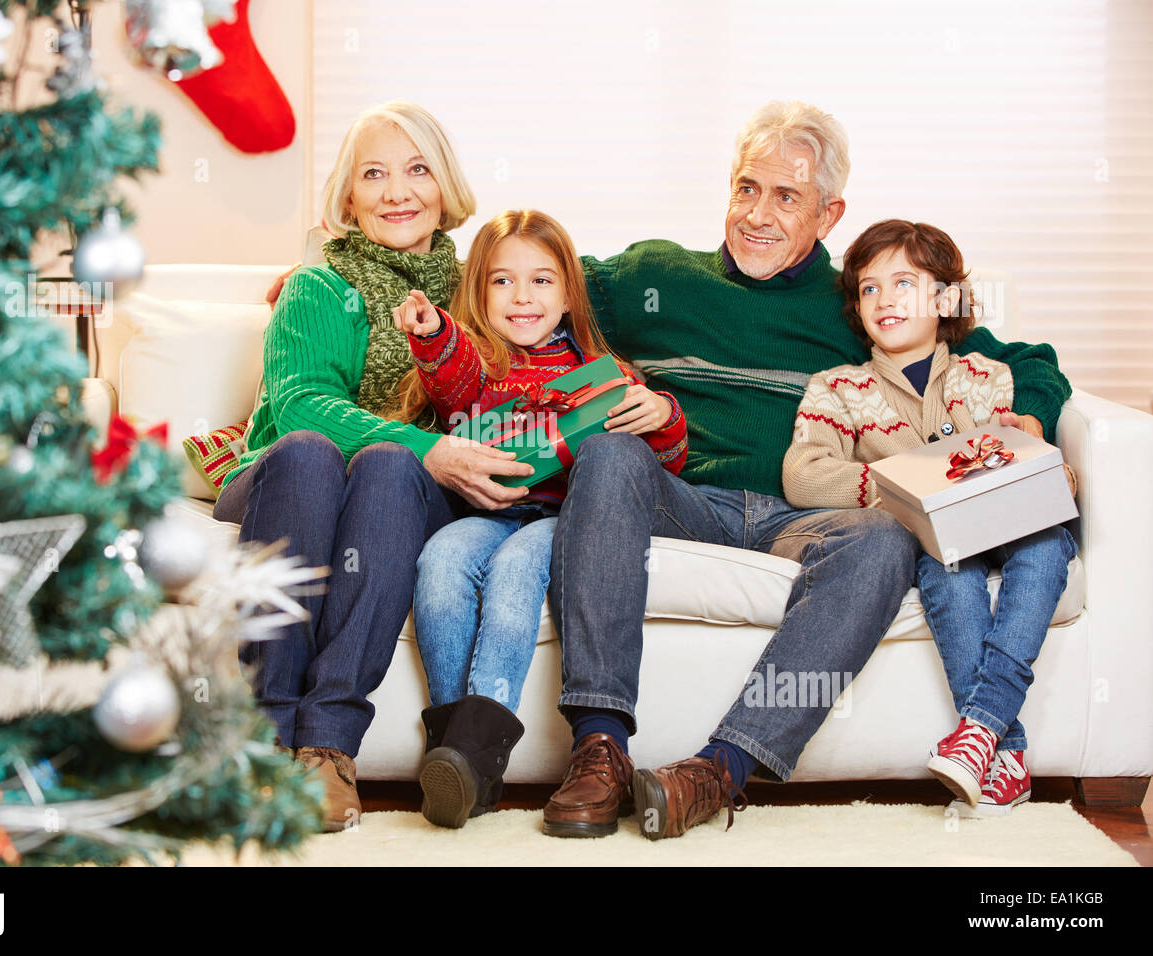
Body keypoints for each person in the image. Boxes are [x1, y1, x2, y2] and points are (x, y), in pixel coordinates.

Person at [541, 100, 1073, 840]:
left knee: (885, 539)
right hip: (684, 498)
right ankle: (599, 746)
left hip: (805, 517)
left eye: (786, 196)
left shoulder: (860, 300)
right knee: (608, 453)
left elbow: (1027, 361)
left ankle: (718, 771)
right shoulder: (652, 276)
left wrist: (1029, 422)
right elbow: (528, 283)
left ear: (830, 214)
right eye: (746, 189)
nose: (757, 214)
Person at [211, 102, 538, 832]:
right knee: (312, 453)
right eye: (375, 174)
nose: (397, 192)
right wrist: (434, 449)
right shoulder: (318, 285)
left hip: (395, 496)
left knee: (390, 463)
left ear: (445, 186)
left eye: (417, 170)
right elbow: (300, 408)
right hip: (287, 482)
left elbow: (563, 271)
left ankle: (327, 744)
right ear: (348, 197)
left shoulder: (480, 285)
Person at [389, 210, 688, 828]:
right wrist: (431, 332)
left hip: (562, 519)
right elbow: (449, 376)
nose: (522, 298)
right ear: (478, 292)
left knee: (517, 574)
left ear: (570, 292)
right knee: (440, 562)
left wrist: (662, 415)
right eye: (502, 282)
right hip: (488, 512)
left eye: (542, 281)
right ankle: (456, 751)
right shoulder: (478, 365)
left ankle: (477, 751)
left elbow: (660, 467)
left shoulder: (604, 375)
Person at [782, 219, 1076, 816]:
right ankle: (1006, 748)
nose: (885, 299)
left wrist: (1041, 462)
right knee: (949, 571)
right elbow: (804, 473)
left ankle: (979, 728)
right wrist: (907, 488)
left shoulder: (987, 378)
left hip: (1011, 525)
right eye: (869, 288)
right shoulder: (838, 388)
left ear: (945, 299)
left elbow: (1025, 466)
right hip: (938, 543)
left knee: (1048, 543)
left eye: (905, 283)